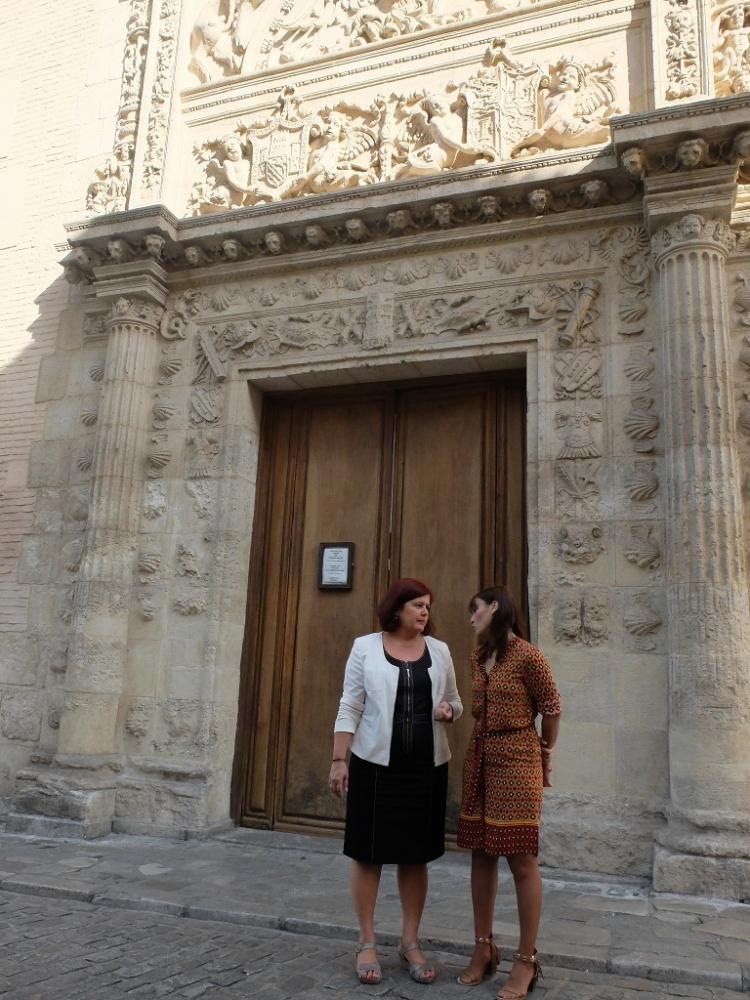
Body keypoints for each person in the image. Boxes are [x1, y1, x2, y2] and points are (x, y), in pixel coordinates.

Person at [329, 578, 463, 985]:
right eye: (417, 605)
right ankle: (366, 940)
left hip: (426, 769)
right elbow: (350, 703)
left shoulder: (439, 651)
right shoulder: (364, 647)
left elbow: (456, 701)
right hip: (373, 765)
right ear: (396, 608)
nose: (424, 612)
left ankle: (410, 941)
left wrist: (448, 711)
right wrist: (339, 758)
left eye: (427, 606)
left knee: (414, 856)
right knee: (368, 854)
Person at [456, 585, 561, 999]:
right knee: (482, 853)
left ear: (495, 609)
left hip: (519, 759)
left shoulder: (529, 656)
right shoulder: (477, 656)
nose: (471, 618)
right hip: (479, 758)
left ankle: (525, 960)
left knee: (520, 858)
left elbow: (552, 706)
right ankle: (484, 947)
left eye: (475, 610)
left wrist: (546, 751)